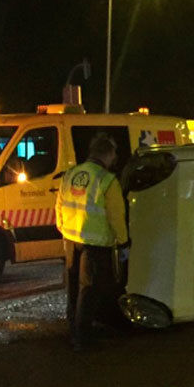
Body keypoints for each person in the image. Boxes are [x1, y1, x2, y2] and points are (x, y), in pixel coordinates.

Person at [56, 133, 129, 350]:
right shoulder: (107, 180)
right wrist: (123, 243)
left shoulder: (70, 174)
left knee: (73, 287)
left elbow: (59, 206)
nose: (115, 158)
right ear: (108, 154)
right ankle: (82, 338)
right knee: (89, 290)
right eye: (114, 154)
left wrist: (63, 228)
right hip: (95, 244)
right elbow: (116, 216)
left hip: (71, 239)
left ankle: (73, 330)